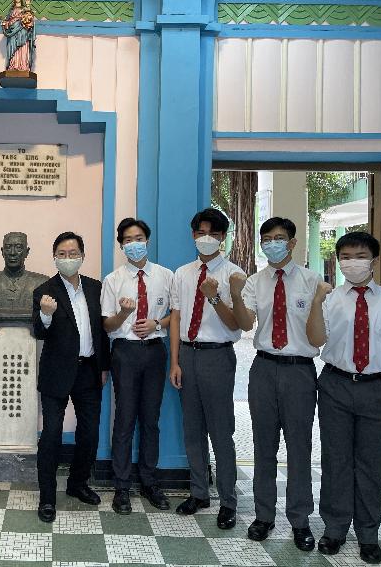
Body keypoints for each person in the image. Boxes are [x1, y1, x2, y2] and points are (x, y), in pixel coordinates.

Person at [307, 231, 381, 564]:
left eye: (359, 256)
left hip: (378, 388)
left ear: (374, 260)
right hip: (335, 385)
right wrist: (316, 302)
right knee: (336, 462)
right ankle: (335, 529)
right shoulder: (330, 300)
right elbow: (315, 340)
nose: (352, 263)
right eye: (345, 257)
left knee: (372, 465)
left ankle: (368, 534)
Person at [230, 217, 320, 550]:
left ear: (292, 243)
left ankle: (300, 519)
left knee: (299, 447)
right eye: (266, 239)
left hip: (300, 371)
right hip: (264, 369)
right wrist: (236, 294)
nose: (272, 244)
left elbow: (319, 333)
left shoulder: (312, 281)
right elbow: (244, 323)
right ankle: (264, 515)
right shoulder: (256, 282)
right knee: (263, 446)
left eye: (279, 238)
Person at [169, 208, 243, 529]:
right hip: (187, 354)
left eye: (213, 233)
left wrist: (214, 298)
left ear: (223, 237)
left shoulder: (234, 274)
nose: (206, 238)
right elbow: (175, 318)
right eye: (200, 233)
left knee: (221, 432)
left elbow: (237, 323)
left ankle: (228, 500)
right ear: (193, 235)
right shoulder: (182, 273)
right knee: (193, 430)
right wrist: (174, 361)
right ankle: (199, 493)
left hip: (218, 357)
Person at [32, 232, 110, 523]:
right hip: (57, 372)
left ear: (82, 256)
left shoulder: (95, 287)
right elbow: (38, 332)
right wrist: (46, 314)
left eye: (73, 253)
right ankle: (47, 497)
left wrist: (104, 366)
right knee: (51, 434)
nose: (68, 259)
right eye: (62, 254)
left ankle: (78, 483)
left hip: (89, 370)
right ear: (54, 258)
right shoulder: (44, 291)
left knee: (89, 433)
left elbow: (101, 331)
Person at [101, 218, 172, 514]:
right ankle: (121, 486)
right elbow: (107, 325)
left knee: (151, 420)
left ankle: (149, 481)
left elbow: (176, 314)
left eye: (139, 238)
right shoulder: (113, 280)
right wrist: (123, 314)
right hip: (125, 352)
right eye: (128, 240)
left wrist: (157, 323)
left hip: (155, 352)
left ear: (148, 240)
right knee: (125, 419)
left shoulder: (165, 276)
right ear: (121, 245)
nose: (134, 244)